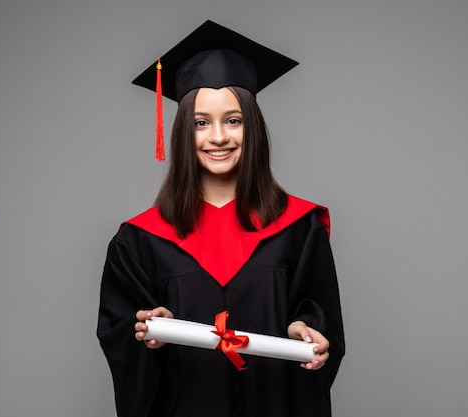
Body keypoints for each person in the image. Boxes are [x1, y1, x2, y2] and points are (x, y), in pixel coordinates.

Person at [97, 20, 345, 417]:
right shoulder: (140, 240)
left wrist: (307, 331)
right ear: (182, 132)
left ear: (253, 127)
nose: (217, 137)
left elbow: (318, 313)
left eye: (233, 120)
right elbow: (122, 338)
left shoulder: (298, 228)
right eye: (200, 122)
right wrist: (145, 331)